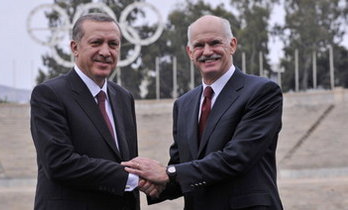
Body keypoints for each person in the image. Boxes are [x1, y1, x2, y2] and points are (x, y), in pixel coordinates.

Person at [122, 15, 283, 210]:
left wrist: (169, 173)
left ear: (232, 45)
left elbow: (238, 157)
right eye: (199, 45)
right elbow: (183, 166)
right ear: (190, 52)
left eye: (215, 43)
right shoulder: (183, 104)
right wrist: (150, 181)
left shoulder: (262, 92)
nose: (207, 51)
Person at [30, 13, 141, 210]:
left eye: (113, 44)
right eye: (96, 42)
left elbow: (128, 162)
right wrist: (133, 178)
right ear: (75, 47)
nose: (106, 52)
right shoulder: (49, 94)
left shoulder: (124, 97)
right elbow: (60, 163)